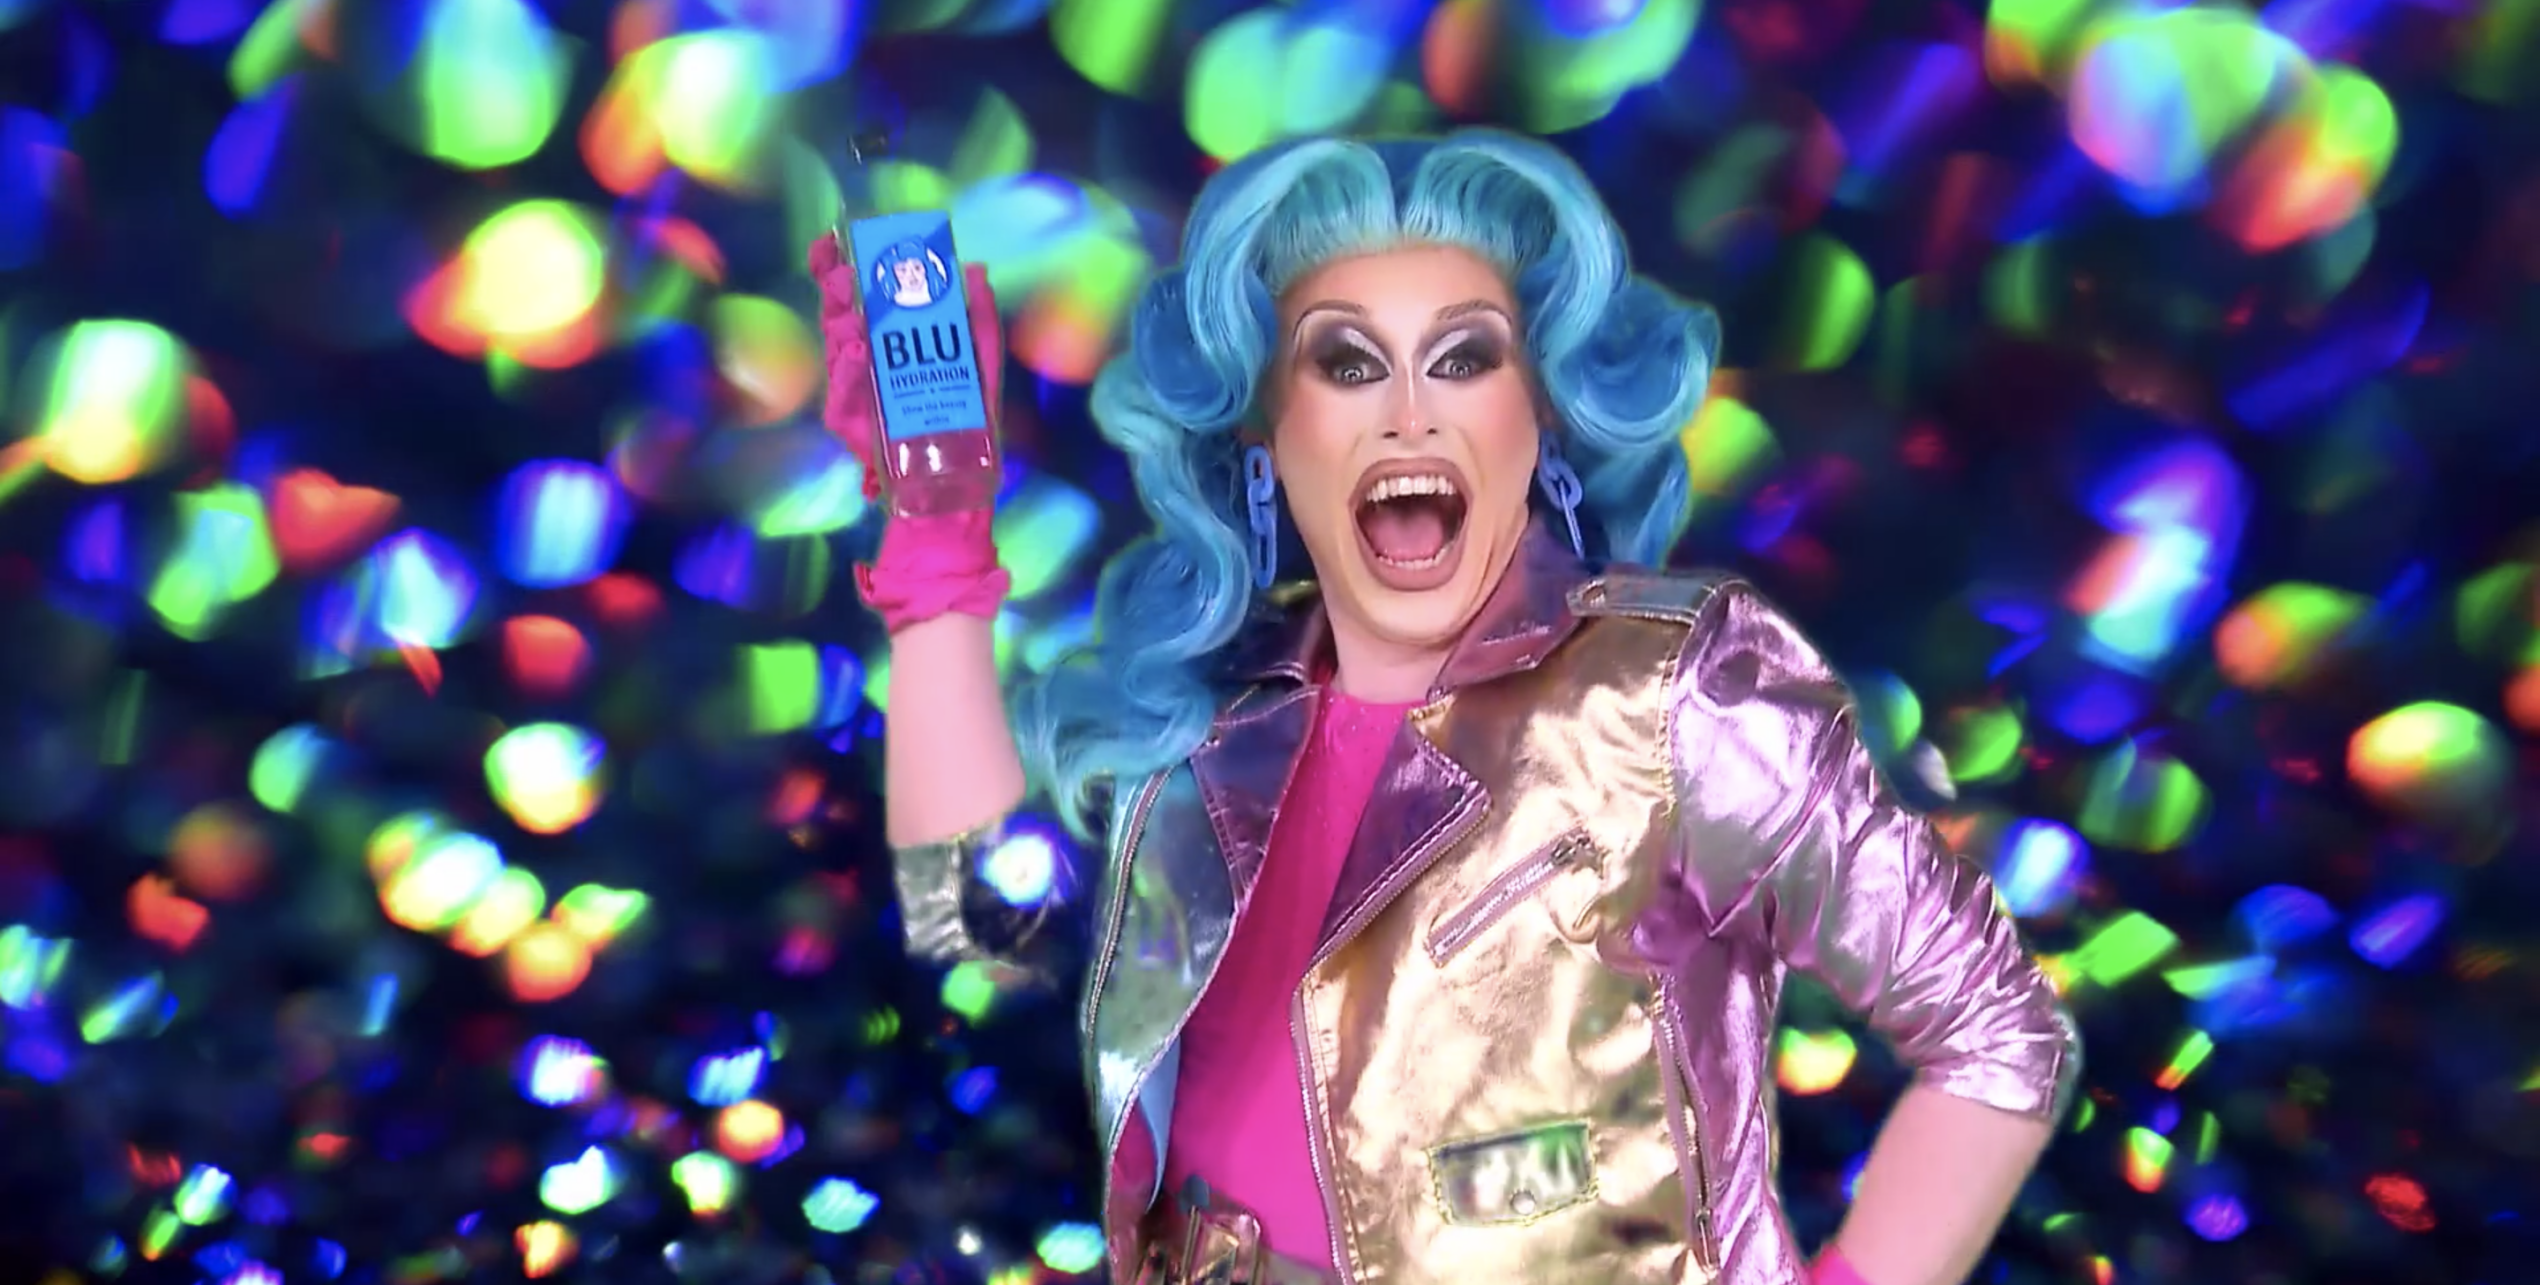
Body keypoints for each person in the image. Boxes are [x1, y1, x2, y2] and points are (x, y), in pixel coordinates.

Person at [807, 131, 2079, 1285]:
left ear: (1537, 417)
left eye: (1463, 357)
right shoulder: (1215, 720)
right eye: (1345, 363)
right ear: (1266, 441)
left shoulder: (1672, 692)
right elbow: (970, 919)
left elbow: (1996, 1026)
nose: (1407, 413)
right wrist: (935, 543)